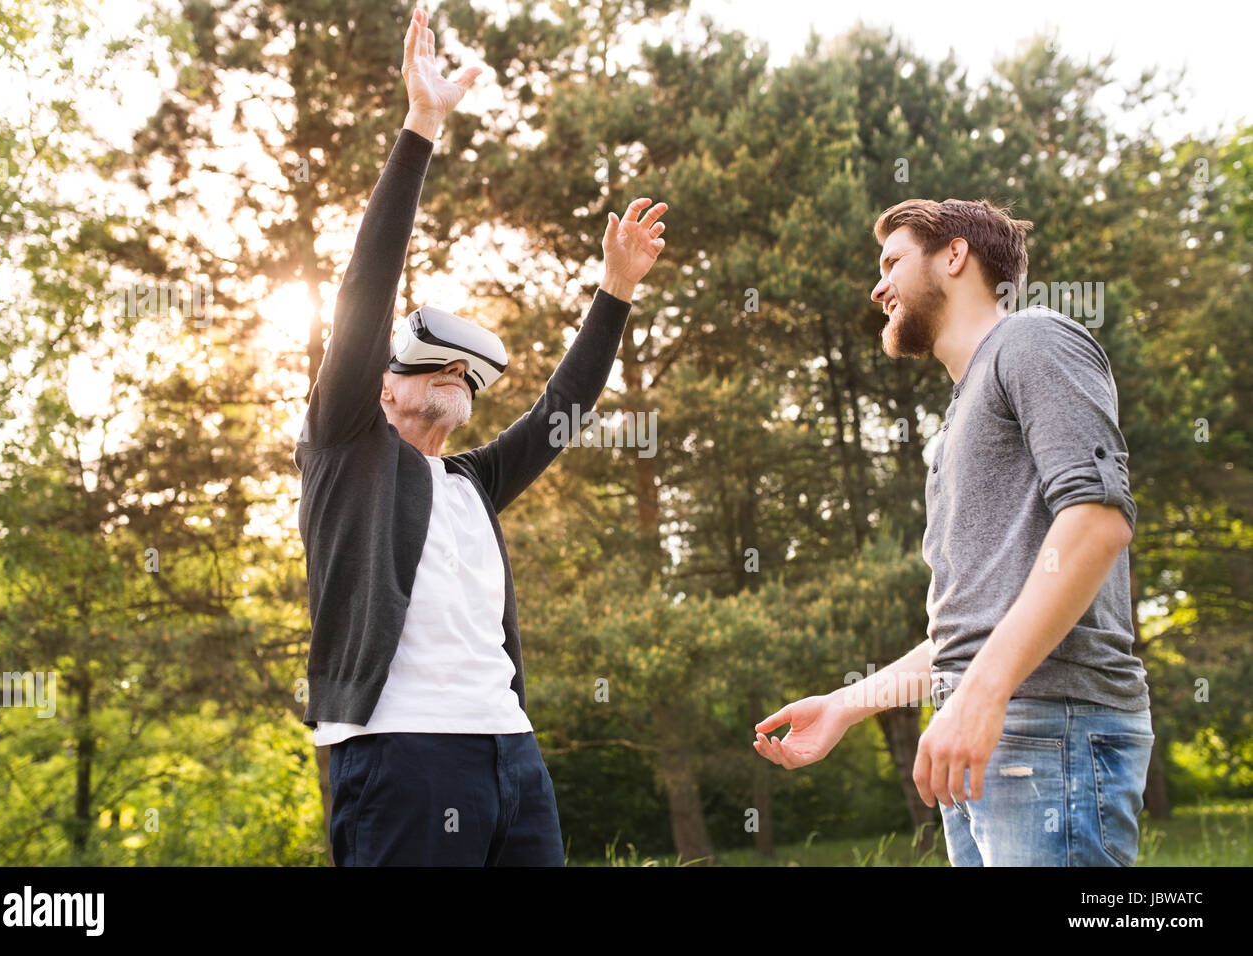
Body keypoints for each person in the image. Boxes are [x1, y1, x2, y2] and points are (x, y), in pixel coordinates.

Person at [294, 6, 667, 866]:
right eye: (431, 366)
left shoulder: (471, 482)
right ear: (377, 387)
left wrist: (614, 289)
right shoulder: (344, 449)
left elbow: (561, 411)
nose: (454, 377)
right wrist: (421, 128)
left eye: (466, 374)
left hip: (512, 753)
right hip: (400, 758)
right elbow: (365, 294)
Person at [753, 198, 1153, 867]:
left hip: (1047, 725)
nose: (878, 287)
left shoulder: (1032, 340)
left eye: (892, 262)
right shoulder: (954, 424)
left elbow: (1098, 522)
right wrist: (849, 706)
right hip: (983, 735)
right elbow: (968, 631)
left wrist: (982, 694)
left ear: (956, 255)